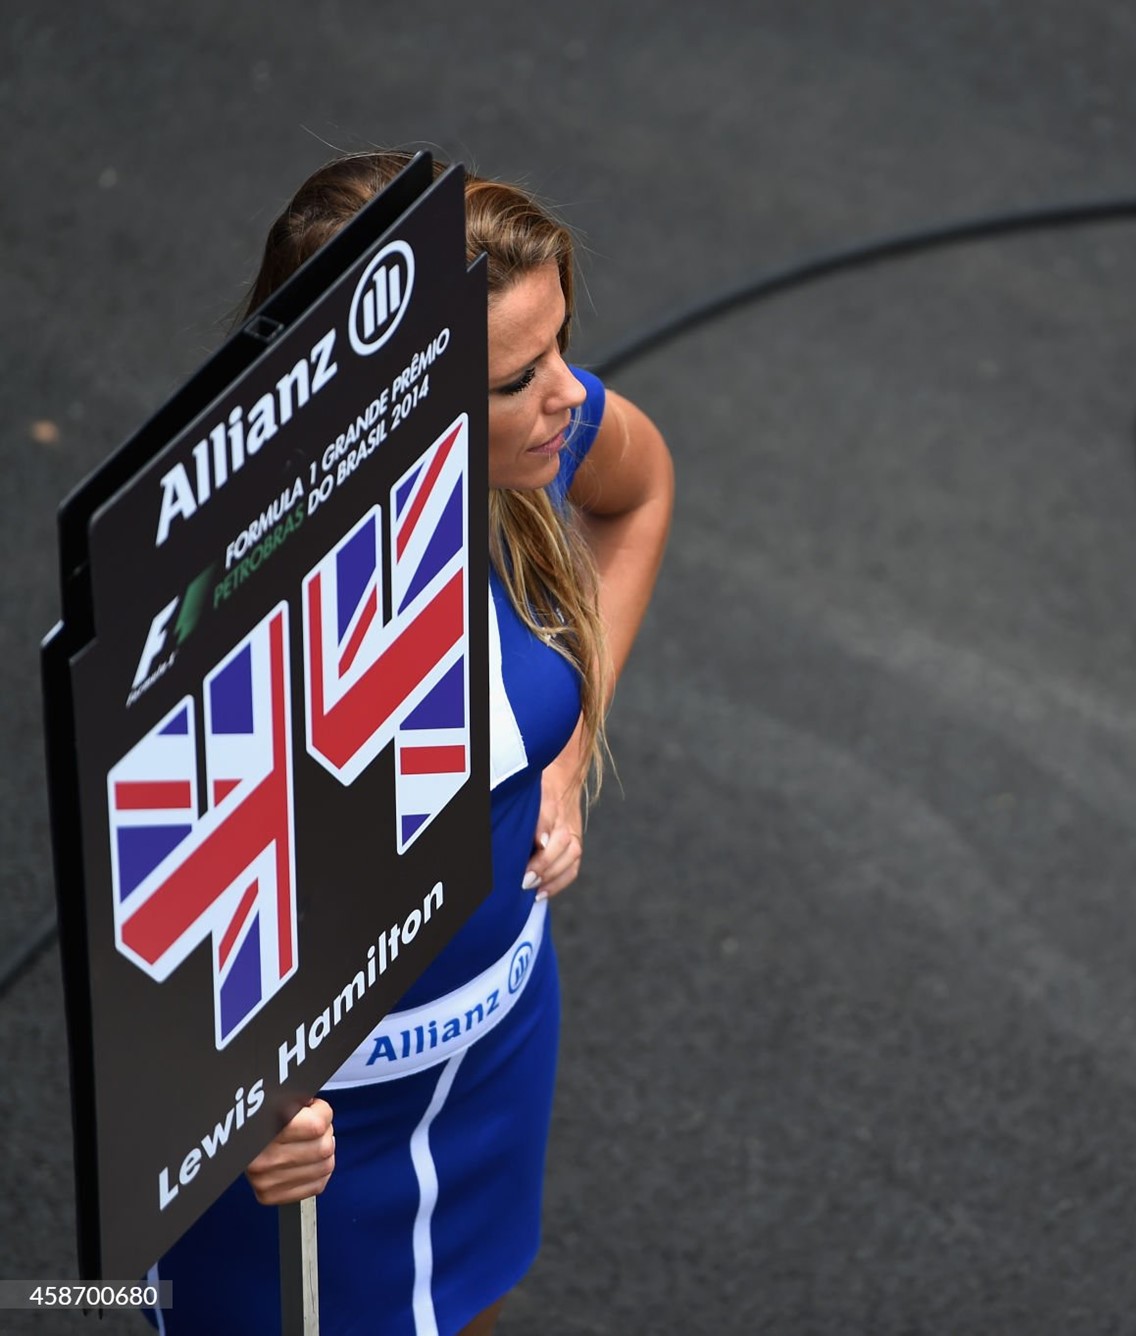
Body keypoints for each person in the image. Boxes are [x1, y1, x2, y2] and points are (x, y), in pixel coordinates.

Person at [146, 151, 674, 1335]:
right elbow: (148, 923)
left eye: (560, 348)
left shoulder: (539, 441)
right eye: (517, 376)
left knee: (469, 1301)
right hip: (314, 1136)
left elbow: (637, 495)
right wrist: (225, 1116)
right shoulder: (217, 607)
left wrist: (571, 741)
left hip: (496, 1044)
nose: (567, 397)